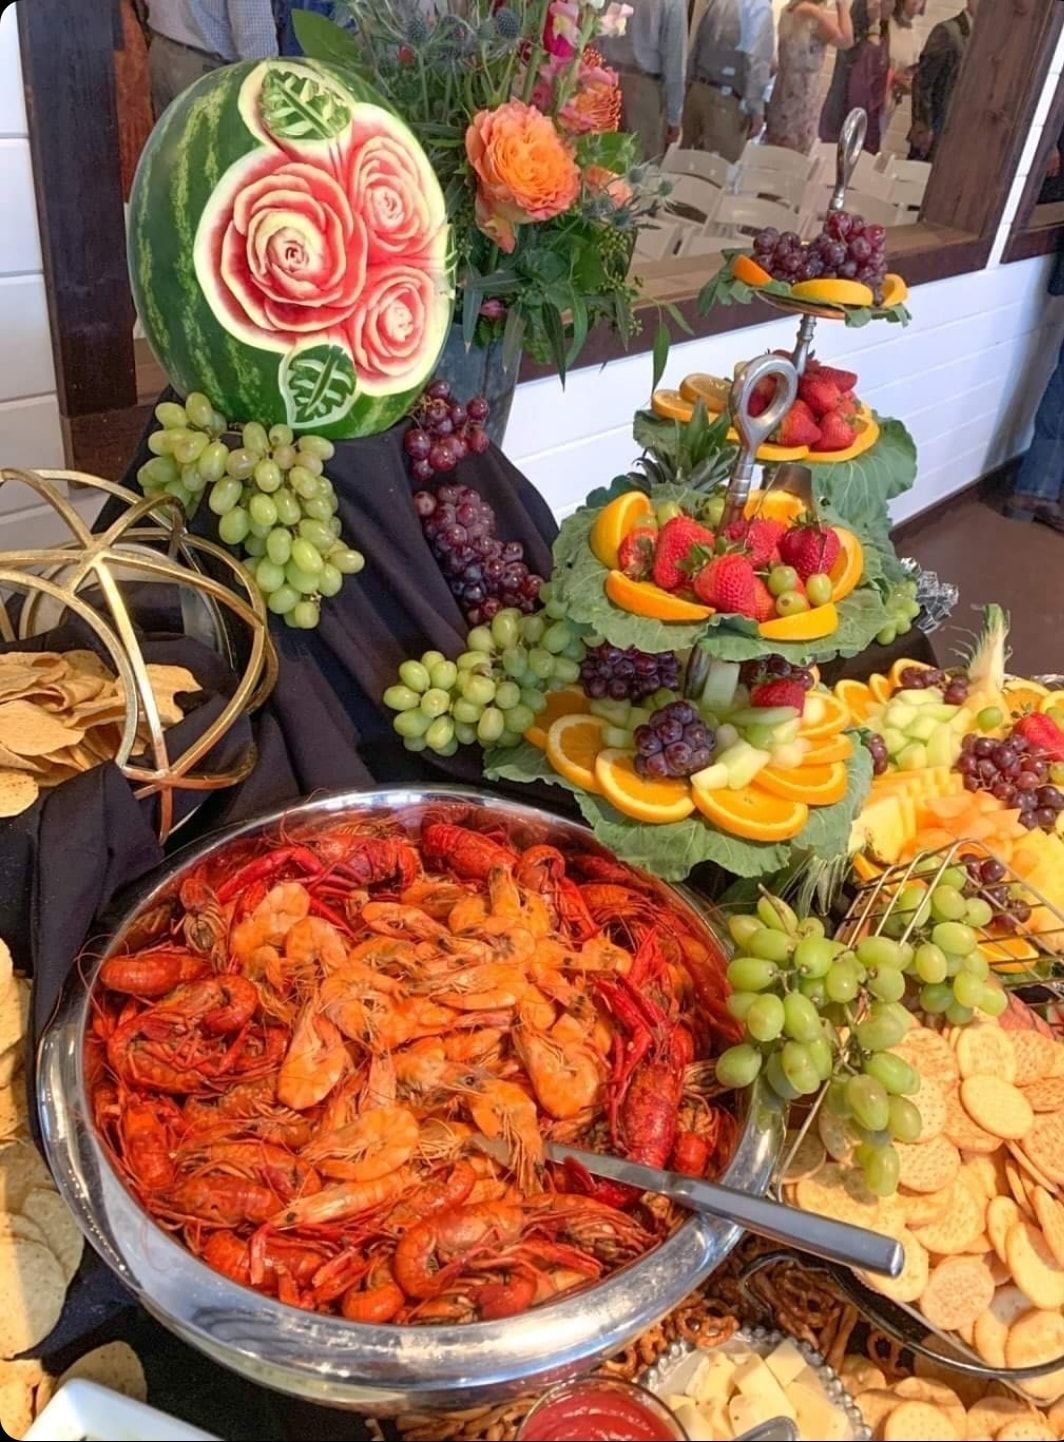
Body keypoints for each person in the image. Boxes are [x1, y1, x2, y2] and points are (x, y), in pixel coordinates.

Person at [145, 0, 279, 116]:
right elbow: (255, 33)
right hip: (203, 70)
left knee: (169, 136)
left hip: (161, 51)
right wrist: (269, 87)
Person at [682, 0, 775, 163]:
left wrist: (688, 88)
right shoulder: (759, 9)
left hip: (698, 91)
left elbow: (696, 46)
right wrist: (756, 110)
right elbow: (756, 63)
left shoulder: (718, 2)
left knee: (684, 167)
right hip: (726, 104)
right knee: (716, 171)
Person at [599, 0, 688, 161]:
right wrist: (674, 118)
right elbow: (674, 61)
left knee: (601, 158)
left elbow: (597, 29)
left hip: (604, 81)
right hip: (643, 90)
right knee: (639, 163)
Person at [766, 0, 854, 156]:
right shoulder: (811, 13)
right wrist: (842, 5)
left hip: (785, 94)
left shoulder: (789, 10)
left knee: (777, 155)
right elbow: (846, 40)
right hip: (801, 100)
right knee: (793, 157)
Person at [908, 0, 976, 161]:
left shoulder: (983, 40)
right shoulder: (947, 31)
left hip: (959, 132)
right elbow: (923, 81)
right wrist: (924, 125)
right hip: (935, 129)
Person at [818, 0, 884, 152]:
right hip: (850, 115)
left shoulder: (875, 38)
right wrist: (874, 26)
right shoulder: (866, 44)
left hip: (854, 115)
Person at [883, 0, 924, 129]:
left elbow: (912, 73)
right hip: (869, 99)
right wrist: (892, 77)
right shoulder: (884, 24)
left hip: (889, 106)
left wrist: (909, 83)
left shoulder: (915, 36)